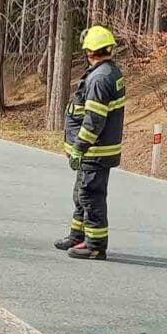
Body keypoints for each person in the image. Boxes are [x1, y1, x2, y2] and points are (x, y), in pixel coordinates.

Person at [55, 25, 125, 260]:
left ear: (89, 52)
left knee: (90, 194)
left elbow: (94, 120)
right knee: (81, 194)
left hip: (95, 151)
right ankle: (78, 235)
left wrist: (79, 147)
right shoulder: (106, 72)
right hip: (95, 151)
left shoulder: (100, 78)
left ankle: (94, 245)